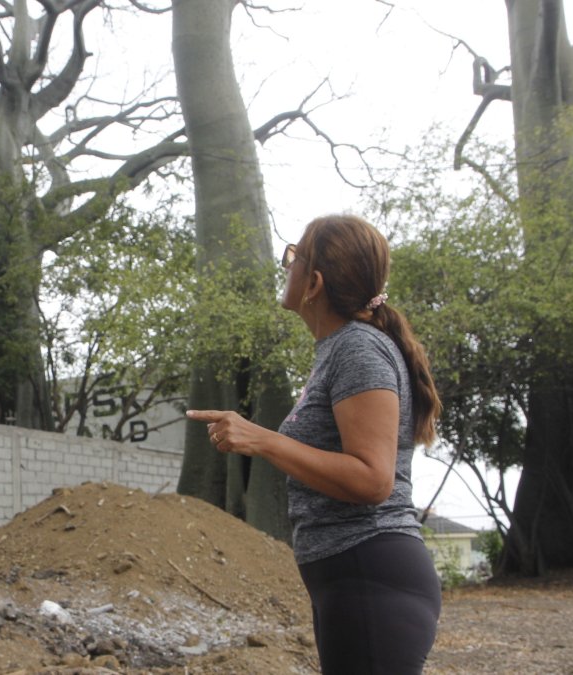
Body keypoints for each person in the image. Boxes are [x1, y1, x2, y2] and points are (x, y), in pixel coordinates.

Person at [187, 214, 443, 674]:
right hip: (351, 576)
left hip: (370, 570)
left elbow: (373, 479)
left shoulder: (358, 349)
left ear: (314, 283)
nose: (285, 265)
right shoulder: (339, 350)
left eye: (294, 257)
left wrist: (262, 439)